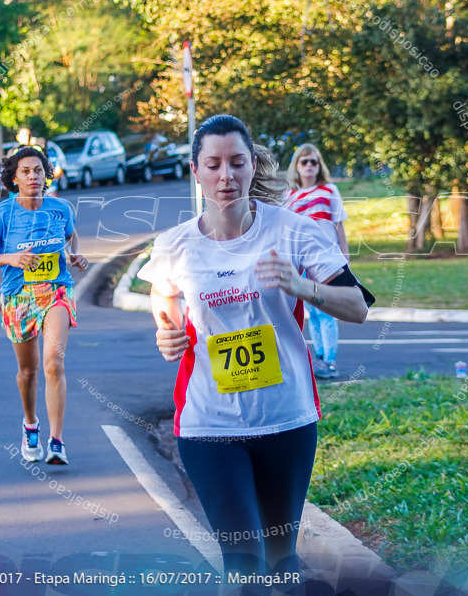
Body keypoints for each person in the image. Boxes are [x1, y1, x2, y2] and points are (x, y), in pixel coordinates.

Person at [137, 114, 374, 579]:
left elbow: (359, 307)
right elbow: (161, 290)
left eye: (236, 163)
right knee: (244, 565)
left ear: (252, 166)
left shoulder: (294, 231)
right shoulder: (175, 245)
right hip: (209, 424)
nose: (226, 176)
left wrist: (304, 288)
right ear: (195, 171)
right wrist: (165, 328)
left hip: (286, 418)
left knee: (281, 562)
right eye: (214, 164)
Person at [0, 145, 88, 465]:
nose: (33, 176)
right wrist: (11, 258)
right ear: (14, 179)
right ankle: (30, 423)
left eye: (38, 170)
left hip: (56, 292)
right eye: (25, 171)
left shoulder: (60, 208)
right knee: (28, 370)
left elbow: (71, 235)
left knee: (54, 362)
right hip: (18, 297)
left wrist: (74, 254)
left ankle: (57, 441)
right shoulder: (1, 214)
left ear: (45, 174)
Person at [284, 143, 350, 379]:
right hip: (302, 263)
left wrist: (345, 257)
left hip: (328, 261)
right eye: (305, 162)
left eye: (314, 161)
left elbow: (339, 225)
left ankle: (329, 362)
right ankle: (320, 358)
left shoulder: (329, 190)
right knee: (312, 312)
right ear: (297, 166)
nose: (310, 166)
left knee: (327, 311)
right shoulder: (289, 196)